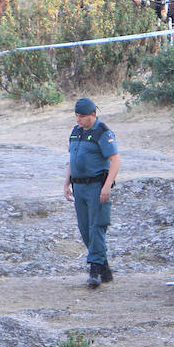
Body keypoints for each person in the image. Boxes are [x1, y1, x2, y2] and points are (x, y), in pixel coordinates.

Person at [63, 98, 121, 288]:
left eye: (82, 117)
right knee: (84, 228)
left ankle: (95, 269)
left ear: (93, 115)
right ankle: (104, 268)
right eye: (77, 116)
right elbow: (73, 158)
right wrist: (66, 183)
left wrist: (107, 186)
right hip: (79, 187)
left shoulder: (102, 132)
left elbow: (115, 160)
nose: (78, 120)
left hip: (96, 186)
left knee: (97, 226)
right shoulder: (76, 132)